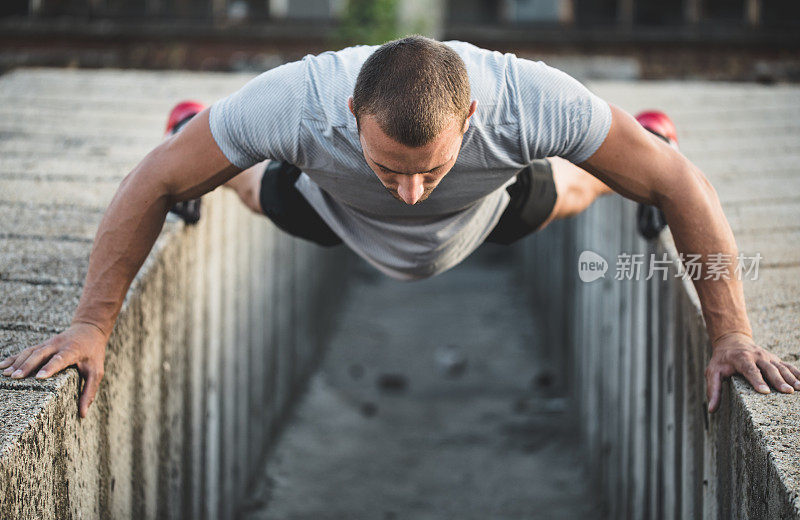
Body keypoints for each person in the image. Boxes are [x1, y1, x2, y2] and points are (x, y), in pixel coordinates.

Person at [2, 36, 798, 418]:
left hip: (486, 214)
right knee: (242, 183)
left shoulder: (530, 97)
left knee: (588, 188)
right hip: (331, 209)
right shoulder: (298, 100)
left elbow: (679, 185)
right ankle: (207, 136)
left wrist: (729, 332)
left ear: (474, 118)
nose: (412, 195)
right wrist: (89, 324)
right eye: (392, 168)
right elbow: (152, 179)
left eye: (430, 168)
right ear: (351, 115)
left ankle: (640, 130)